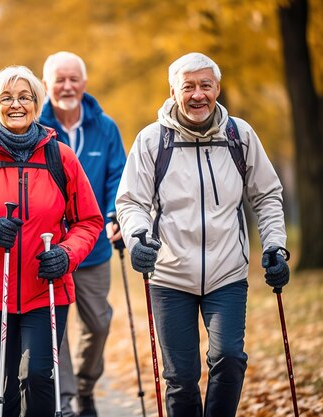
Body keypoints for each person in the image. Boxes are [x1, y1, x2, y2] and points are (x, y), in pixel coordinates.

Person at [115, 52, 290, 417]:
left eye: (205, 86)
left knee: (228, 358)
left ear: (217, 89)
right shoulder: (152, 140)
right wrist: (137, 238)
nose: (198, 95)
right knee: (181, 377)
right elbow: (131, 202)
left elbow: (267, 194)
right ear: (173, 91)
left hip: (227, 273)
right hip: (170, 274)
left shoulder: (239, 135)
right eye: (188, 87)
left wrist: (275, 245)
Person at [0, 65, 102, 417]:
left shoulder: (61, 157)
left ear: (36, 103)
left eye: (25, 97)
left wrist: (66, 254)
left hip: (45, 288)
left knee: (39, 378)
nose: (16, 105)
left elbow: (89, 221)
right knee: (4, 385)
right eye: (6, 98)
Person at [40, 51, 127, 417]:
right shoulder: (35, 127)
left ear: (84, 83)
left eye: (74, 78)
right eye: (59, 79)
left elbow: (117, 176)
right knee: (53, 326)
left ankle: (86, 385)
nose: (67, 86)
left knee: (98, 322)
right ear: (47, 85)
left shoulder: (105, 127)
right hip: (48, 247)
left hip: (93, 246)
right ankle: (65, 397)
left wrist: (113, 215)